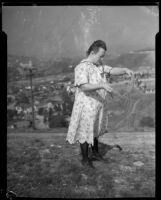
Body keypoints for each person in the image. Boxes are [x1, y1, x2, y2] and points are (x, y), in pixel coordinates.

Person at [66, 40, 133, 168]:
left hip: (97, 105)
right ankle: (85, 159)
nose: (102, 58)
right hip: (85, 106)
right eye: (101, 55)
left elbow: (112, 70)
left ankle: (95, 153)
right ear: (92, 52)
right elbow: (84, 86)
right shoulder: (81, 67)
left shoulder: (98, 66)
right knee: (85, 132)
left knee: (95, 129)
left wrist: (124, 70)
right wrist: (101, 85)